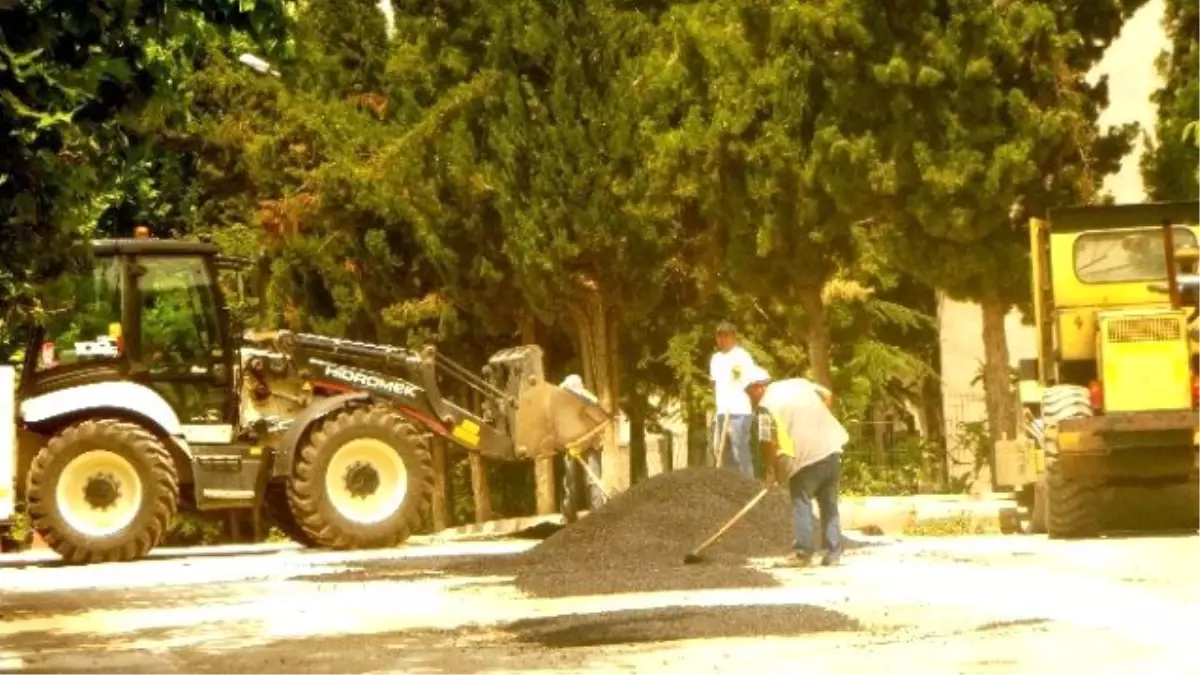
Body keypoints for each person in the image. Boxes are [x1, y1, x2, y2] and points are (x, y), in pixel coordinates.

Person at [743, 364, 849, 567]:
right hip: (832, 448)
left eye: (749, 393)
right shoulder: (798, 384)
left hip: (805, 458)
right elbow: (827, 395)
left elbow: (768, 441)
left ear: (757, 387)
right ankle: (833, 553)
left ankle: (803, 553)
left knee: (801, 502)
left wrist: (771, 467)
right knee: (829, 504)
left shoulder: (765, 407)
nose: (750, 398)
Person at [709, 321, 756, 477]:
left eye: (726, 335)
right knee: (720, 451)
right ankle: (730, 489)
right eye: (719, 336)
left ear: (733, 337)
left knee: (739, 451)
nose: (722, 339)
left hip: (739, 411)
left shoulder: (742, 356)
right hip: (722, 411)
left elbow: (750, 382)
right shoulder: (715, 359)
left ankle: (749, 486)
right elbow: (715, 383)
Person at [559, 374, 606, 513]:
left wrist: (582, 442)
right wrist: (567, 443)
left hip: (591, 447)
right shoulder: (565, 408)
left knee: (593, 482)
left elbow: (600, 425)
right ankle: (568, 517)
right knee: (570, 483)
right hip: (572, 448)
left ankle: (598, 515)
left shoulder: (588, 404)